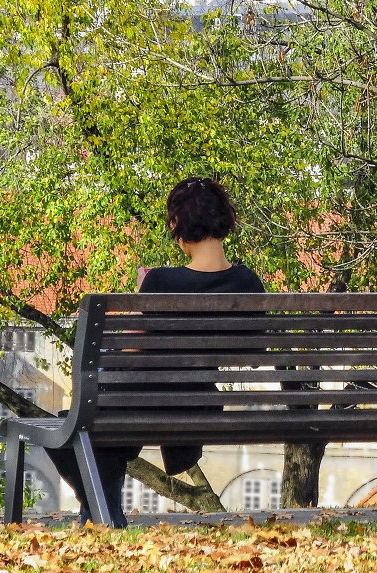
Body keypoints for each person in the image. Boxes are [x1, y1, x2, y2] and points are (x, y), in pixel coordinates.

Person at [47, 177, 264, 527]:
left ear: (179, 227)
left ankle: (102, 510)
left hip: (149, 398)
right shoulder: (248, 283)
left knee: (71, 425)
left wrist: (138, 307)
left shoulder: (160, 281)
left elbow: (135, 350)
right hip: (202, 403)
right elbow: (255, 352)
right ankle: (99, 510)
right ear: (224, 222)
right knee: (94, 418)